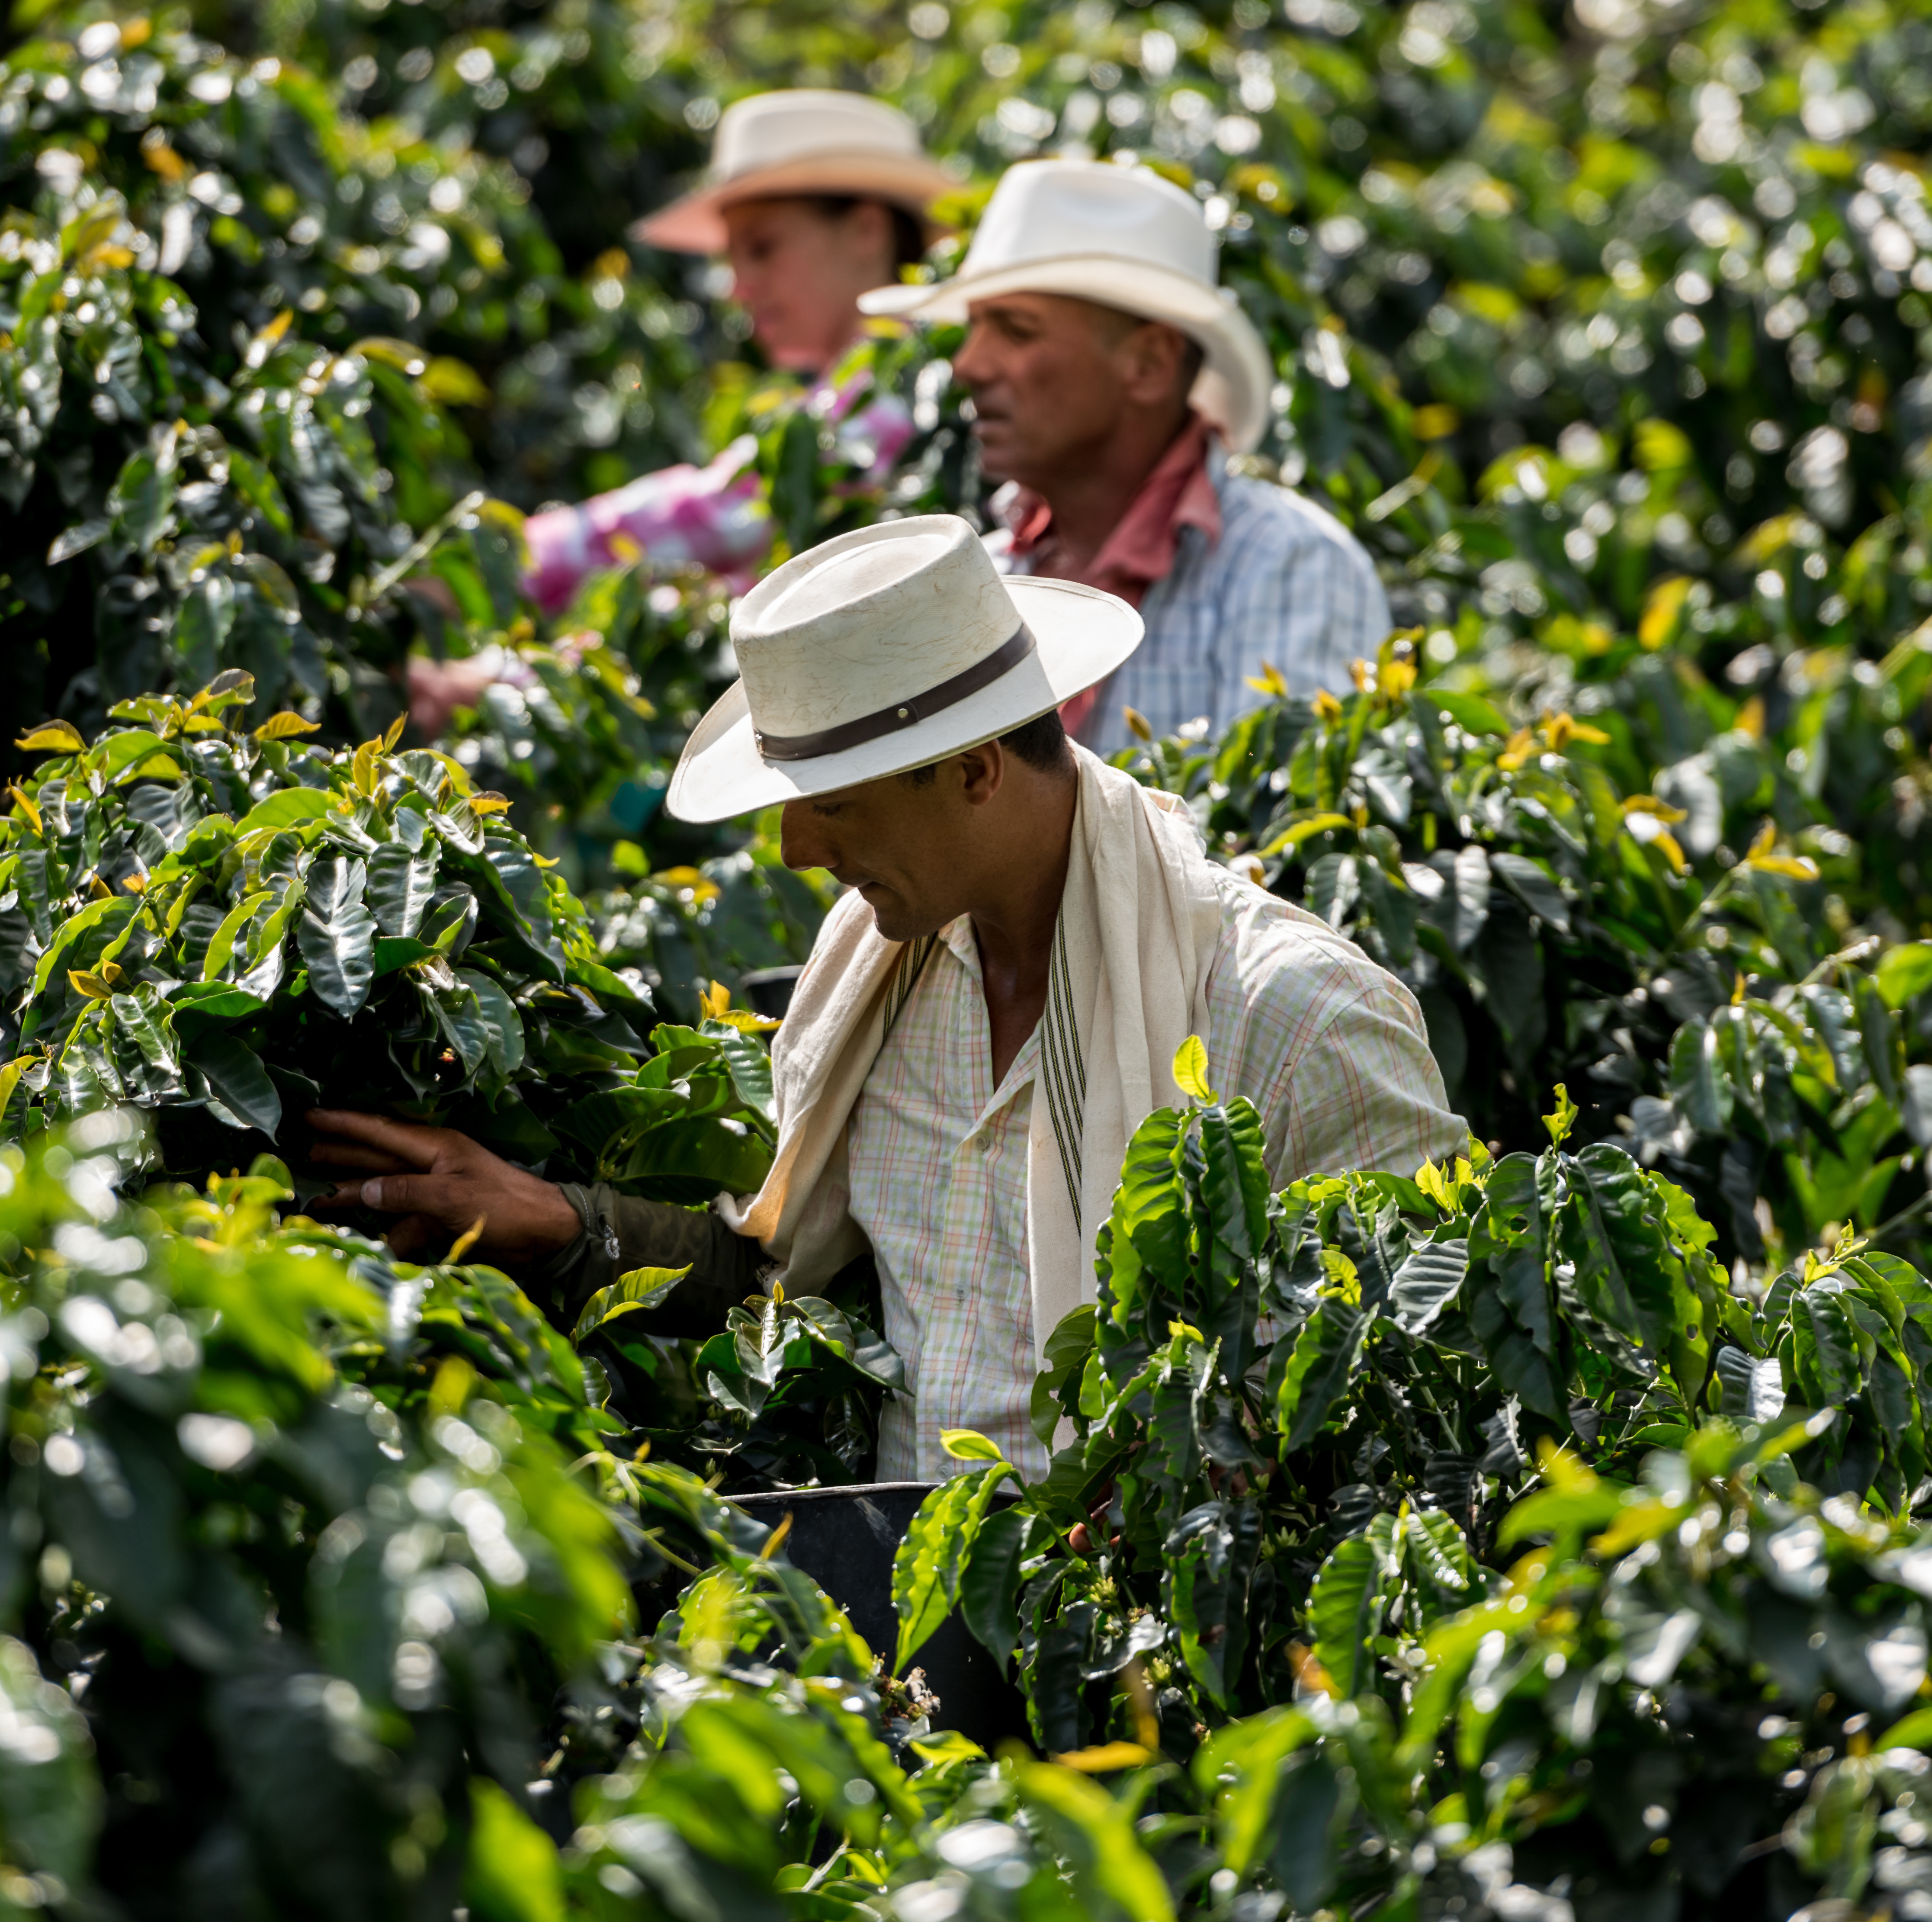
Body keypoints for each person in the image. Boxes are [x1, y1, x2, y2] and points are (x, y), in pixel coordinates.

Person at [314, 516, 1467, 1481]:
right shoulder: (882, 970)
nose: (792, 847)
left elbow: (1412, 1412)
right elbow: (779, 1267)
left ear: (974, 772)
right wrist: (561, 1220)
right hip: (915, 1645)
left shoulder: (1294, 1021)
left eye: (834, 802)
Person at [408, 92, 946, 733]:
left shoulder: (909, 384)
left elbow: (729, 513)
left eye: (764, 248)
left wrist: (490, 568)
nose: (738, 286)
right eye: (732, 258)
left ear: (865, 231)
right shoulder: (847, 392)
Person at [860, 158, 1393, 753]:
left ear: (1149, 365)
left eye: (1016, 330)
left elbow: (1275, 834)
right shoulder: (988, 578)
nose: (969, 366)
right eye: (975, 328)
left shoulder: (1284, 566)